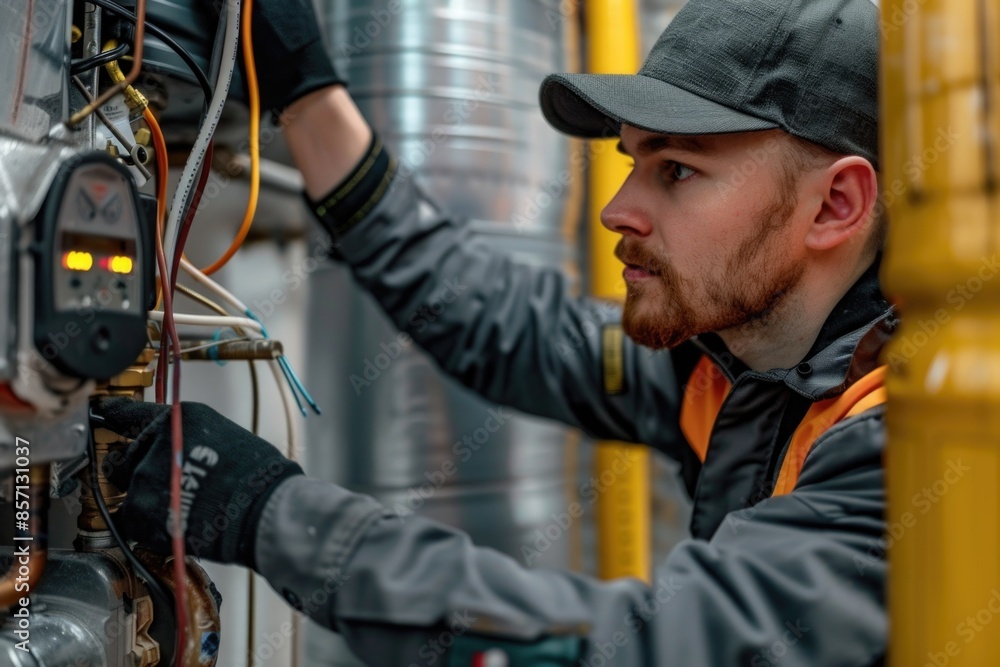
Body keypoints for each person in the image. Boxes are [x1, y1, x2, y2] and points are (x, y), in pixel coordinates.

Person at [94, 0, 893, 664]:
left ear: (835, 206)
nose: (618, 210)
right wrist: (309, 92)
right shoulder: (729, 362)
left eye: (677, 170)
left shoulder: (917, 442)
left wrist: (267, 509)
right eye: (633, 162)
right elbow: (497, 323)